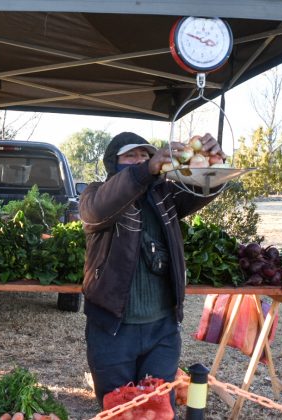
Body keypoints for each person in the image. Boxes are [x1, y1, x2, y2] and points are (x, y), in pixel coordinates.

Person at [79, 131, 225, 408]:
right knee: (118, 410)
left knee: (157, 409)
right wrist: (146, 170)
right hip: (113, 329)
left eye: (145, 154)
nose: (141, 159)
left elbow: (200, 190)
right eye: (130, 155)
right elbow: (96, 211)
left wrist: (213, 165)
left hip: (163, 329)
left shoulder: (163, 195)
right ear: (113, 163)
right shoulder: (95, 194)